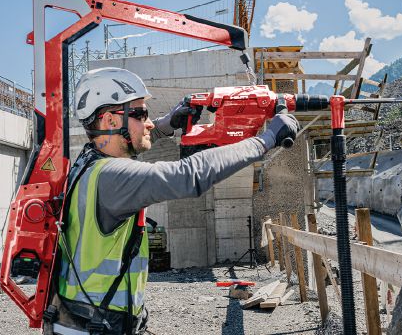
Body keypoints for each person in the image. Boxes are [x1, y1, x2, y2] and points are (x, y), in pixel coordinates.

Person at [44, 67, 298, 335]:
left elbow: (125, 143)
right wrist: (265, 140)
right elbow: (187, 175)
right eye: (141, 114)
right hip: (96, 326)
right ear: (109, 120)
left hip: (83, 319)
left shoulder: (89, 163)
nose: (149, 122)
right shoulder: (111, 177)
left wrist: (168, 124)